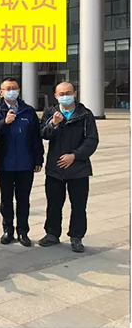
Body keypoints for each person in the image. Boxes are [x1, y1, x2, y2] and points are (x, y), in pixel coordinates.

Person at [38, 82, 99, 253]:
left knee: (79, 205)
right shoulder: (50, 113)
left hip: (78, 168)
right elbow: (43, 134)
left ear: (75, 93)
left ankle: (76, 236)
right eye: (61, 94)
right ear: (56, 96)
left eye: (68, 93)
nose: (65, 96)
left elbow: (92, 140)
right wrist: (53, 124)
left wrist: (75, 156)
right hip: (55, 168)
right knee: (53, 204)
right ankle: (52, 233)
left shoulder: (85, 114)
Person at [0, 77, 44, 247]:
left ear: (19, 90)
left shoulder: (28, 111)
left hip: (25, 163)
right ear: (1, 92)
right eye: (8, 89)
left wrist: (38, 158)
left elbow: (36, 137)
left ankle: (23, 231)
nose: (11, 91)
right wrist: (5, 122)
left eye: (14, 88)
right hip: (5, 163)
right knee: (6, 199)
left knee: (23, 199)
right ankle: (8, 230)